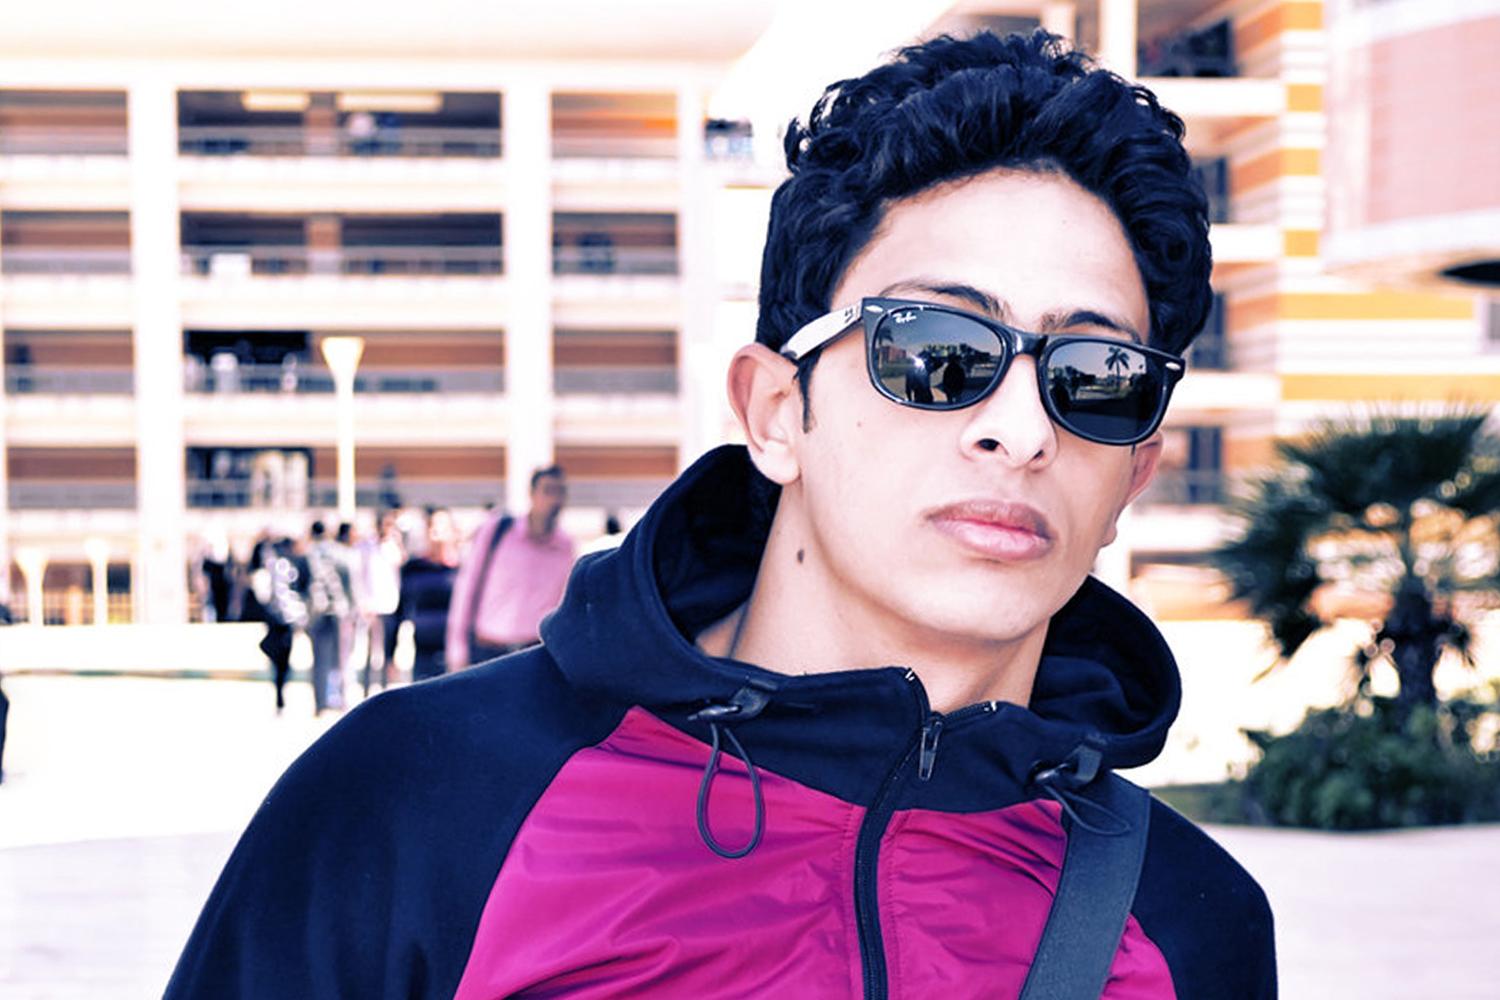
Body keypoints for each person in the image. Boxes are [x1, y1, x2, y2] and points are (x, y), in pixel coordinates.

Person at [167, 31, 1274, 998]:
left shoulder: (1187, 924)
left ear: (1134, 474)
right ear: (775, 411)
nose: (1022, 429)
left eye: (1095, 378)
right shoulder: (421, 801)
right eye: (937, 350)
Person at [444, 465, 574, 668]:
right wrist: (457, 651)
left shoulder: (564, 546)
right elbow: (467, 588)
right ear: (532, 494)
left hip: (534, 654)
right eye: (548, 491)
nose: (554, 501)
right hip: (489, 650)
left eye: (560, 492)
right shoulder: (497, 531)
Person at [397, 506, 461, 682]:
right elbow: (401, 610)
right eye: (431, 525)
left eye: (441, 525)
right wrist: (391, 651)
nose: (435, 531)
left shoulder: (463, 570)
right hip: (423, 650)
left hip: (454, 651)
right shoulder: (413, 568)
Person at [304, 520, 353, 714]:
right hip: (339, 611)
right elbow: (349, 580)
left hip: (316, 613)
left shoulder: (307, 555)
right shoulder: (340, 553)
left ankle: (320, 703)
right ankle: (340, 699)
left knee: (319, 659)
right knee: (340, 658)